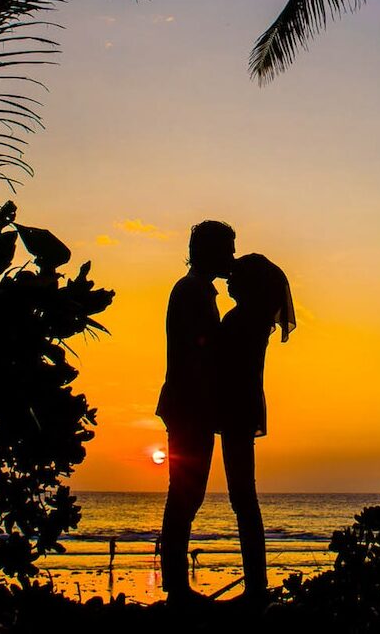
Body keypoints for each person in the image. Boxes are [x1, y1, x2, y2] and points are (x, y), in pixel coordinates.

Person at [156, 220, 236, 603]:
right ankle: (175, 586)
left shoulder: (198, 290)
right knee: (185, 494)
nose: (232, 257)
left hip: (192, 405)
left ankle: (175, 584)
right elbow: (197, 354)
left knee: (188, 494)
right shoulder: (190, 291)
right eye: (228, 249)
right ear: (209, 251)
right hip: (189, 406)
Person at [213, 254, 295, 606]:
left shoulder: (241, 320)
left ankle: (256, 588)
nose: (229, 282)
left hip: (235, 409)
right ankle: (256, 584)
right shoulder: (257, 320)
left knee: (243, 497)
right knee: (244, 497)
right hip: (242, 408)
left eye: (236, 278)